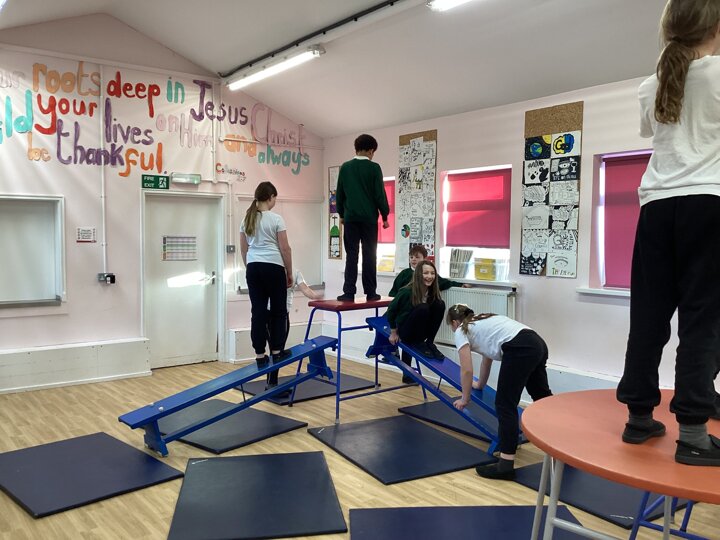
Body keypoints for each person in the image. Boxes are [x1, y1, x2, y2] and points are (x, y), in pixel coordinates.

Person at [616, 0, 720, 466]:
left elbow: (652, 129)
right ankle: (694, 433)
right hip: (709, 203)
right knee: (703, 320)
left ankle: (639, 417)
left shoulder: (651, 83)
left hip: (656, 207)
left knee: (648, 316)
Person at [447, 304, 552, 480]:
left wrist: (465, 398)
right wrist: (480, 384)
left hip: (521, 348)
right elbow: (486, 360)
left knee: (504, 404)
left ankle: (505, 465)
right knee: (543, 399)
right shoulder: (483, 320)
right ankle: (567, 450)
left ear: (454, 322)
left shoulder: (461, 330)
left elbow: (466, 370)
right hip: (537, 343)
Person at [240, 181, 293, 391]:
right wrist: (289, 272)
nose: (274, 202)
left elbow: (243, 250)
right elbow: (285, 249)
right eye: (274, 198)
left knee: (258, 311)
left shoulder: (247, 219)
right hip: (273, 267)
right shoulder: (276, 219)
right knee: (278, 312)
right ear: (270, 197)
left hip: (253, 267)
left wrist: (251, 268)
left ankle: (259, 354)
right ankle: (277, 352)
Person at [336, 134, 390, 302]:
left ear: (356, 148)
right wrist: (385, 215)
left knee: (351, 255)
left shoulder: (345, 167)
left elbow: (340, 194)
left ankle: (348, 292)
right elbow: (379, 194)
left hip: (350, 219)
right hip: (369, 219)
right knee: (369, 255)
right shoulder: (374, 168)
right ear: (371, 150)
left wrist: (342, 214)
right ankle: (371, 292)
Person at [386, 260, 446, 383]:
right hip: (405, 330)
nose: (430, 276)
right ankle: (417, 347)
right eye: (426, 273)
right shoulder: (406, 291)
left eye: (432, 273)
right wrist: (393, 332)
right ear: (418, 274)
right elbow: (391, 311)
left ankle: (429, 342)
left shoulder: (431, 291)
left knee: (440, 304)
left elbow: (447, 282)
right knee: (423, 308)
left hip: (420, 330)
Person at [389, 244, 471, 297]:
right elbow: (393, 292)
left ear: (424, 259)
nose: (413, 259)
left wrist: (460, 285)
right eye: (411, 257)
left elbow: (444, 282)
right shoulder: (404, 273)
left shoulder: (429, 274)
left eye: (417, 257)